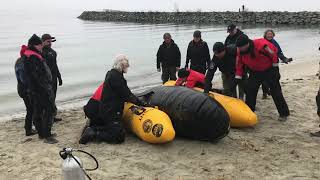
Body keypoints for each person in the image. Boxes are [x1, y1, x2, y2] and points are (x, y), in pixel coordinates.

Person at [79, 55, 147, 144]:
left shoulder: (110, 73)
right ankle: (93, 133)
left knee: (117, 129)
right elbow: (127, 95)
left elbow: (123, 93)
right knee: (118, 136)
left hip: (105, 109)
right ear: (122, 66)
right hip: (111, 111)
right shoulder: (117, 78)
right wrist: (141, 103)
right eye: (126, 66)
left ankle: (93, 128)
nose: (128, 68)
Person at [233, 34, 290, 121]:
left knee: (275, 91)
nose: (239, 49)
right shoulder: (239, 50)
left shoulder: (261, 45)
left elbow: (273, 54)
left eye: (241, 47)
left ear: (247, 44)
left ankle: (284, 113)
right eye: (238, 47)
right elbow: (239, 64)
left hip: (269, 69)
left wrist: (275, 69)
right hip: (255, 72)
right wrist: (238, 77)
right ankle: (249, 112)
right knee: (250, 91)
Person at [22, 34, 58, 143]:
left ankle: (42, 133)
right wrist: (45, 88)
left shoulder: (30, 55)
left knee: (38, 110)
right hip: (40, 89)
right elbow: (37, 76)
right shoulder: (32, 57)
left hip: (35, 89)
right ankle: (46, 135)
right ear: (34, 45)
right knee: (48, 110)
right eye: (39, 45)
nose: (41, 46)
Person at [261, 30, 293, 99]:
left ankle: (278, 92)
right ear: (265, 35)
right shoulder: (262, 42)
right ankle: (265, 93)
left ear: (273, 35)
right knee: (265, 80)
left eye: (271, 34)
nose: (270, 35)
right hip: (264, 64)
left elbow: (279, 52)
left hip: (274, 64)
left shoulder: (274, 42)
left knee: (276, 77)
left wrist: (284, 59)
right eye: (268, 34)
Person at [14, 46, 37, 136]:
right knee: (30, 109)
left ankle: (31, 127)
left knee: (31, 108)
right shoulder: (22, 63)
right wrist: (31, 88)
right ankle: (28, 129)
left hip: (22, 88)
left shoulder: (19, 61)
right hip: (25, 90)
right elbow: (24, 79)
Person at [41, 34, 63, 122]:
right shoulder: (41, 53)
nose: (50, 43)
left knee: (53, 97)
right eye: (47, 41)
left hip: (53, 78)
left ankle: (52, 116)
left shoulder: (53, 52)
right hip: (46, 80)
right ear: (42, 42)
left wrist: (59, 76)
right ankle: (44, 116)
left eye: (50, 41)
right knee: (46, 99)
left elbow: (55, 65)